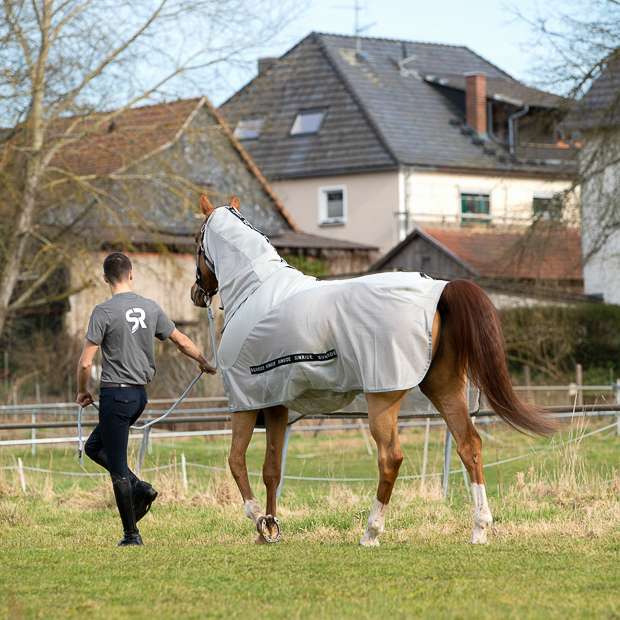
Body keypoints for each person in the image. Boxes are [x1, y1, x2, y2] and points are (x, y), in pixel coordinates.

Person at [76, 252, 216, 546]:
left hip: (115, 395)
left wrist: (82, 390)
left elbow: (86, 364)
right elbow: (180, 340)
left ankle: (131, 535)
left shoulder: (102, 312)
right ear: (131, 275)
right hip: (139, 396)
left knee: (116, 468)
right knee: (93, 447)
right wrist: (203, 360)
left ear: (105, 279)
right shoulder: (150, 307)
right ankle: (140, 487)